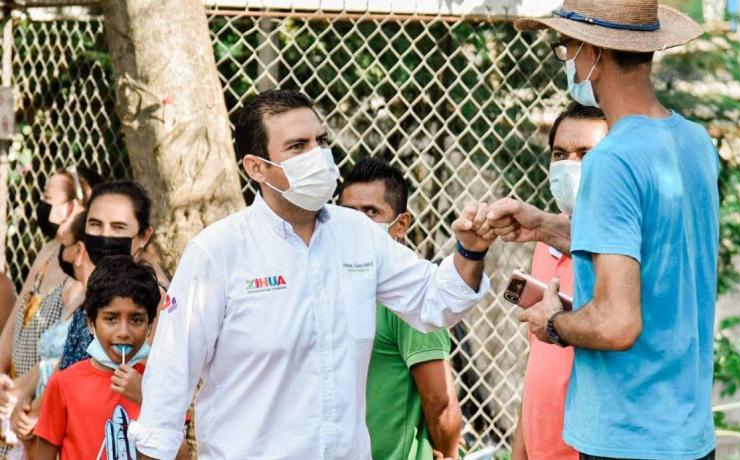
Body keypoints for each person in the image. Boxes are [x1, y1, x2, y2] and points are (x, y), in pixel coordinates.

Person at [129, 89, 494, 460]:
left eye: (321, 141)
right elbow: (169, 383)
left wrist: (471, 249)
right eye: (297, 146)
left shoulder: (358, 235)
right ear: (257, 168)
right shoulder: (218, 253)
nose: (318, 156)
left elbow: (437, 301)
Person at [490, 1, 719, 459]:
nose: (567, 61)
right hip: (687, 436)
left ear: (591, 52)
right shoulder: (694, 142)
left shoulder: (612, 160)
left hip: (626, 436)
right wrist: (545, 227)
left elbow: (616, 325)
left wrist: (552, 323)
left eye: (565, 47)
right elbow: (653, 247)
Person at [339, 157, 462, 460]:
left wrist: (447, 454)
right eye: (348, 213)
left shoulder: (411, 297)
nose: (357, 223)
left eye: (371, 212)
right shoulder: (327, 285)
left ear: (401, 224)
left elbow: (440, 402)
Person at [511, 103, 607, 460]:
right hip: (540, 444)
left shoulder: (623, 255)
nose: (571, 165)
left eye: (586, 154)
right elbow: (537, 359)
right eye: (560, 154)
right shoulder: (545, 241)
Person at [0, 166, 100, 455]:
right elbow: (14, 322)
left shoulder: (80, 268)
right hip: (12, 397)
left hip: (38, 404)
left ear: (76, 205)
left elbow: (62, 350)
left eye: (48, 197)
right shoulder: (47, 251)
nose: (41, 204)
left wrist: (23, 390)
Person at [33, 255, 160, 460]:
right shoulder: (64, 384)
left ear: (150, 325)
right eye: (111, 319)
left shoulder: (162, 386)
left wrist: (146, 397)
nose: (123, 332)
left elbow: (180, 454)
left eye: (136, 320)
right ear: (91, 323)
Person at [59, 180, 170, 372]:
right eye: (95, 224)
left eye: (118, 227)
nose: (104, 236)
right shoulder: (107, 282)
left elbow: (140, 376)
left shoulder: (152, 296)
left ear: (144, 236)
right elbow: (64, 369)